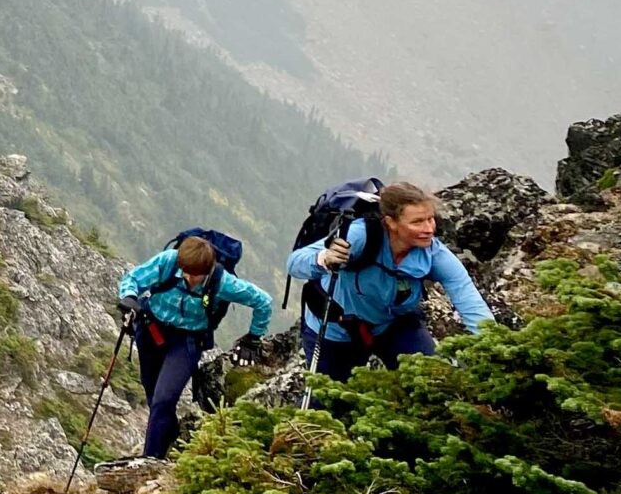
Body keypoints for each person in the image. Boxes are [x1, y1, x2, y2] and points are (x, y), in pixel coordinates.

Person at [287, 179, 493, 390]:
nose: (429, 228)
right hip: (337, 331)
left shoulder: (433, 253)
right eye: (417, 222)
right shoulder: (358, 235)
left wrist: (492, 347)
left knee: (432, 385)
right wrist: (324, 257)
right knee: (328, 403)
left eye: (431, 219)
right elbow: (294, 263)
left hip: (394, 325)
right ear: (391, 222)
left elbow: (467, 297)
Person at [116, 233, 275, 459]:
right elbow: (133, 278)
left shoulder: (222, 282)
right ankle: (169, 435)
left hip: (186, 341)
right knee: (154, 396)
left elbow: (263, 301)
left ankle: (151, 458)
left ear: (208, 269)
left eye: (197, 276)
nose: (190, 280)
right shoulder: (168, 262)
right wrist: (129, 297)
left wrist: (253, 338)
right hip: (151, 331)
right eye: (187, 273)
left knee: (164, 398)